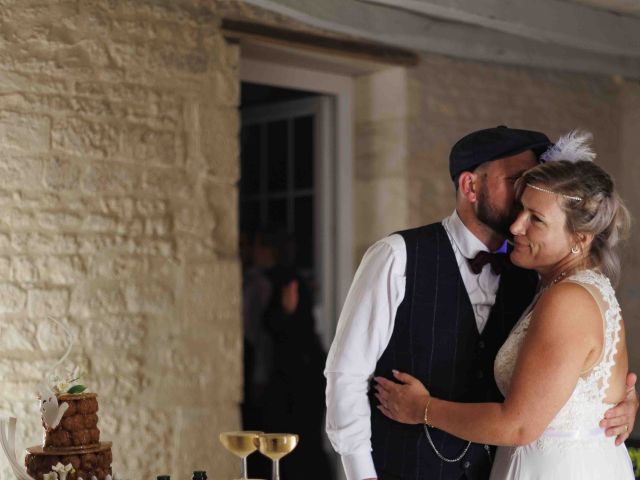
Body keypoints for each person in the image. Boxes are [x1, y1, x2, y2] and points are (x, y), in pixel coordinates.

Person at [325, 126, 639, 480]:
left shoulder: (537, 274)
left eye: (535, 213)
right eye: (518, 180)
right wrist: (361, 474)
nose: (525, 193)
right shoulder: (397, 257)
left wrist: (613, 403)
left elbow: (563, 383)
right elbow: (345, 375)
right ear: (470, 187)